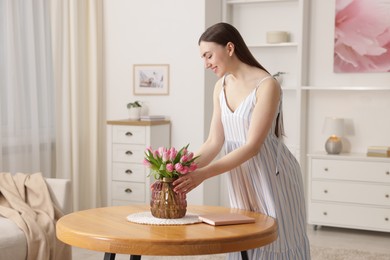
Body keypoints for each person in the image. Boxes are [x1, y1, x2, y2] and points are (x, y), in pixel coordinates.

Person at [173, 22, 311, 259]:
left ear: (229, 48)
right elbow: (213, 142)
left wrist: (202, 175)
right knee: (244, 240)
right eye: (203, 58)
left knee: (278, 240)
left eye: (208, 55)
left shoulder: (267, 85)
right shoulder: (221, 87)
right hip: (241, 177)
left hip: (272, 175)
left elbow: (252, 147)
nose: (205, 64)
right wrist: (179, 171)